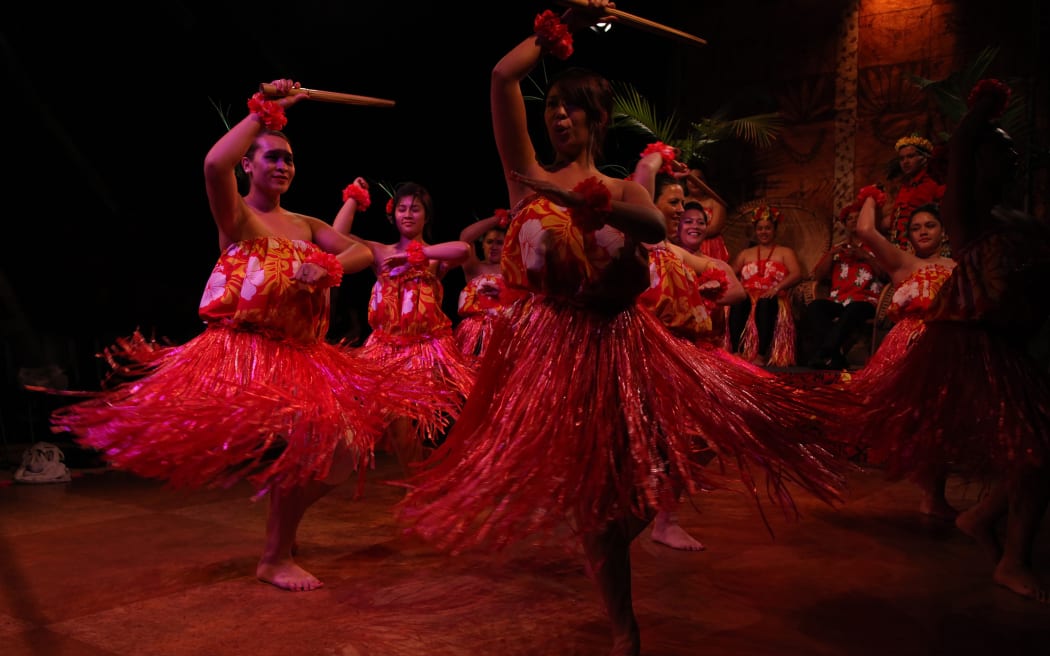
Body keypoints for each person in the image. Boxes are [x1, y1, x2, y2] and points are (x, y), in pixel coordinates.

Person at [395, 6, 847, 655]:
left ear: (596, 121)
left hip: (623, 347)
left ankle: (612, 558)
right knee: (596, 498)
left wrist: (593, 205)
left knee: (654, 478)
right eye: (552, 106)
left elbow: (658, 230)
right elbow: (500, 79)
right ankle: (622, 627)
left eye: (572, 108)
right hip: (550, 353)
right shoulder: (527, 178)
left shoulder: (623, 192)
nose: (558, 117)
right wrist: (557, 28)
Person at [48, 79, 427, 592]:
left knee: (345, 452)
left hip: (303, 357)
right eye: (271, 156)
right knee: (321, 445)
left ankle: (282, 528)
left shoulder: (306, 223)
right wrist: (265, 112)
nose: (282, 166)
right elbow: (211, 165)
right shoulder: (239, 216)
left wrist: (329, 265)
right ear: (248, 165)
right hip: (245, 354)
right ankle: (274, 556)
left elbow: (363, 252)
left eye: (288, 159)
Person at [856, 80, 1050, 602]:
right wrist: (982, 111)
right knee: (1034, 451)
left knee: (1038, 452)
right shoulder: (968, 218)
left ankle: (984, 519)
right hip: (972, 348)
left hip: (1012, 349)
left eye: (1014, 150)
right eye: (998, 149)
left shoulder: (1018, 221)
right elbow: (963, 147)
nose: (1010, 157)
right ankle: (1010, 555)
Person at [333, 177, 476, 470]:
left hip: (424, 350)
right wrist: (353, 198)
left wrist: (415, 255)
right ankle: (423, 475)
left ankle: (423, 478)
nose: (408, 214)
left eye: (416, 209)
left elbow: (464, 250)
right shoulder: (379, 251)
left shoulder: (434, 257)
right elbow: (337, 235)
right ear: (393, 214)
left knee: (403, 417)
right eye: (402, 208)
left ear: (426, 216)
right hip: (385, 350)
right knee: (393, 422)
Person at [847, 192, 958, 519]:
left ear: (944, 231)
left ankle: (934, 495)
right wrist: (871, 195)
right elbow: (866, 231)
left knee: (941, 422)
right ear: (907, 236)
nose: (923, 232)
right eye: (916, 228)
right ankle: (927, 491)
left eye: (930, 225)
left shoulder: (959, 266)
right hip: (909, 346)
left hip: (949, 346)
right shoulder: (904, 263)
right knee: (908, 418)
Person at [800, 206, 886, 370]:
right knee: (815, 307)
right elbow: (818, 276)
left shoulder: (877, 247)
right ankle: (836, 357)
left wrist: (866, 257)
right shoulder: (838, 249)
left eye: (857, 218)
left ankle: (823, 353)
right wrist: (831, 256)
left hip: (866, 301)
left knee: (854, 309)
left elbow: (885, 276)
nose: (853, 221)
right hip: (839, 300)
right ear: (845, 224)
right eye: (850, 219)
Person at [729, 205, 803, 366]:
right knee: (739, 301)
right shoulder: (745, 254)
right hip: (747, 295)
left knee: (764, 303)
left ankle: (761, 355)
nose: (764, 232)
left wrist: (776, 288)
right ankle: (736, 351)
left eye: (768, 228)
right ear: (755, 231)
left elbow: (796, 273)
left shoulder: (785, 252)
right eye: (760, 228)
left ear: (775, 230)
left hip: (772, 296)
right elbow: (730, 272)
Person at [454, 210, 528, 358]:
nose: (493, 246)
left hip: (507, 333)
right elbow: (465, 238)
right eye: (489, 242)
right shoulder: (474, 268)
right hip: (475, 335)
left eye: (499, 243)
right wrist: (498, 219)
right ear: (482, 245)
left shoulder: (514, 271)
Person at [878, 134, 947, 253]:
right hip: (900, 249)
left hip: (924, 250)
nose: (905, 162)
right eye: (902, 158)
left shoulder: (934, 182)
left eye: (910, 156)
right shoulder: (905, 187)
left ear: (924, 158)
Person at [682, 161, 731, 263]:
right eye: (691, 179)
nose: (694, 182)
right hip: (685, 246)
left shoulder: (716, 202)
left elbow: (714, 228)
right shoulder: (681, 201)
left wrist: (691, 233)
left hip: (711, 247)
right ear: (686, 181)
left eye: (699, 179)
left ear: (705, 181)